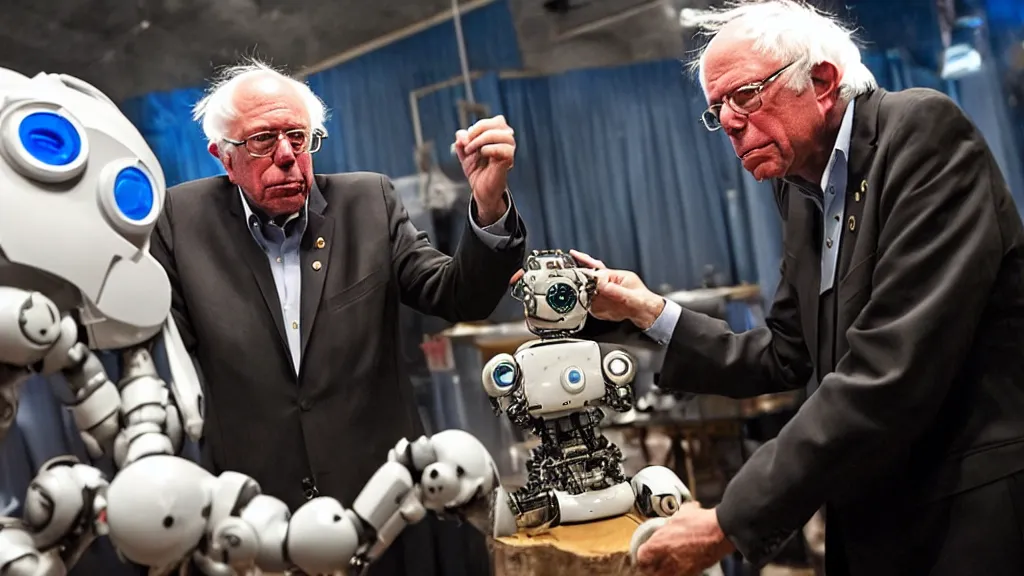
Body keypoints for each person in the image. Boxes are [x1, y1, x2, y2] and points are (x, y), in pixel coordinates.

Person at [574, 1, 1024, 575]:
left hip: (966, 518)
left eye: (744, 95)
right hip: (872, 521)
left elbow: (889, 372)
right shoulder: (799, 188)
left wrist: (727, 521)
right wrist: (648, 313)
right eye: (718, 109)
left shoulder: (922, 134)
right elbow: (787, 353)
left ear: (821, 81)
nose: (730, 123)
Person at [149, 58, 527, 575]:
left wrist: (488, 206)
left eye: (298, 138)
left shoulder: (367, 202)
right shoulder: (178, 221)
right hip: (261, 525)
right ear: (223, 157)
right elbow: (166, 361)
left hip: (385, 510)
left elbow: (458, 295)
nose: (286, 156)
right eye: (262, 141)